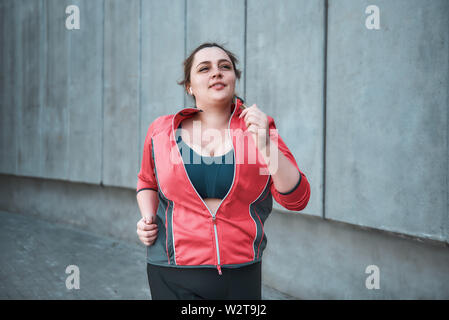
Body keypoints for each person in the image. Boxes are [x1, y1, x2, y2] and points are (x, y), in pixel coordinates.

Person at [136, 42, 310, 300]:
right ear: (190, 86)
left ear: (234, 79)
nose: (216, 72)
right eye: (204, 68)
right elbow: (147, 181)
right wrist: (147, 218)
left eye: (224, 67)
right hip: (171, 269)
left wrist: (264, 142)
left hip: (240, 271)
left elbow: (297, 199)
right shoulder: (161, 131)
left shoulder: (259, 128)